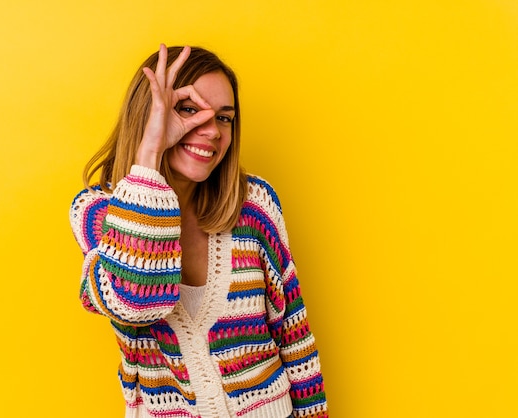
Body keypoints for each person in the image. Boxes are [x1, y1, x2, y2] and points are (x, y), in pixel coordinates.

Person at [69, 44, 328, 418]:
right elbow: (136, 302)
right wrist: (150, 155)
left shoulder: (254, 204)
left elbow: (294, 333)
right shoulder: (97, 213)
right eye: (189, 111)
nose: (211, 131)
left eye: (224, 118)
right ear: (150, 114)